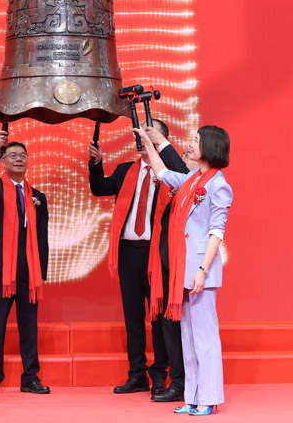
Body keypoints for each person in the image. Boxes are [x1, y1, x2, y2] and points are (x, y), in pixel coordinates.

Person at [134, 125, 233, 416]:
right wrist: (147, 143)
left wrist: (203, 269)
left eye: (196, 140)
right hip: (183, 269)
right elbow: (163, 173)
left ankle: (209, 398)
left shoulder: (218, 185)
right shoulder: (193, 179)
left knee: (204, 338)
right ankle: (193, 396)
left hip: (200, 271)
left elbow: (217, 232)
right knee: (188, 338)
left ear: (210, 146)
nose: (191, 144)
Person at [88, 120, 187, 400]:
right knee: (133, 317)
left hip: (157, 255)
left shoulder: (171, 175)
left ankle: (160, 376)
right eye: (139, 135)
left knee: (159, 318)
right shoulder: (125, 170)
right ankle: (137, 375)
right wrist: (96, 163)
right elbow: (100, 188)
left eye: (148, 135)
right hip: (128, 253)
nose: (141, 139)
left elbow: (185, 184)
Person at [0, 130, 50, 396]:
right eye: (13, 155)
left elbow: (42, 236)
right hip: (0, 266)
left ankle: (30, 377)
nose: (19, 159)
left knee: (29, 325)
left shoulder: (37, 196)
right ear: (4, 162)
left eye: (23, 156)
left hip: (28, 268)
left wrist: (40, 271)